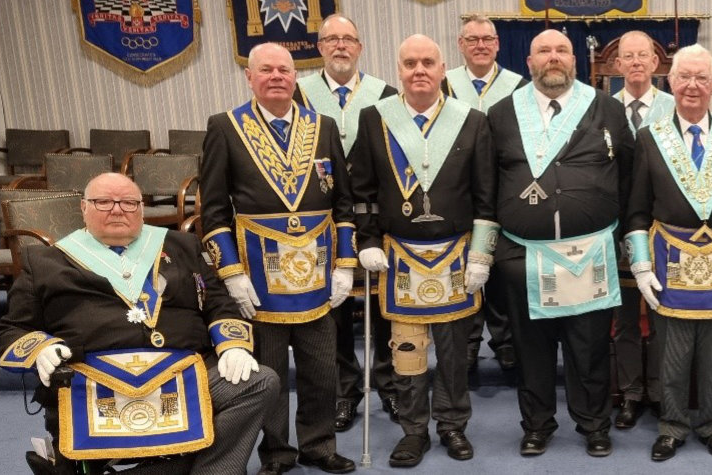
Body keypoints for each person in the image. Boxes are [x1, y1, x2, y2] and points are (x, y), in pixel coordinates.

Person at [0, 173, 278, 475]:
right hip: (94, 385)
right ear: (83, 207)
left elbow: (219, 303)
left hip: (186, 378)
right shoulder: (44, 261)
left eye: (129, 203)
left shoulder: (182, 246)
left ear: (141, 209)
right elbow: (12, 329)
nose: (118, 210)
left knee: (260, 382)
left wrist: (232, 345)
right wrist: (41, 347)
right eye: (104, 202)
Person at [200, 42, 358, 475]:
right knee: (268, 372)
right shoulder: (226, 126)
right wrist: (231, 273)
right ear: (249, 77)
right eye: (266, 70)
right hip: (258, 277)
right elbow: (213, 211)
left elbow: (342, 203)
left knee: (322, 370)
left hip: (318, 275)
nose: (276, 77)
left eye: (284, 70)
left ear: (295, 77)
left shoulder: (322, 125)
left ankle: (319, 445)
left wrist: (346, 264)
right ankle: (277, 453)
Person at [484, 29, 635, 458]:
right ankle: (536, 425)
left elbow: (627, 173)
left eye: (562, 51)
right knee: (530, 348)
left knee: (588, 347)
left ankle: (594, 424)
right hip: (521, 254)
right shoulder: (501, 113)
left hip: (587, 254)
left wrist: (621, 233)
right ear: (528, 62)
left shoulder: (607, 108)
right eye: (544, 51)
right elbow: (489, 181)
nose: (554, 57)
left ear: (575, 61)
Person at [348, 33, 494, 468]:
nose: (419, 71)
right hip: (398, 257)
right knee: (406, 353)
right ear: (399, 70)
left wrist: (482, 256)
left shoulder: (471, 120)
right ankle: (414, 431)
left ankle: (452, 425)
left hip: (455, 256)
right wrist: (368, 242)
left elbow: (486, 197)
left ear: (442, 68)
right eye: (410, 63)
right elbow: (362, 193)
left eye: (428, 62)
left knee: (453, 353)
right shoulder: (375, 118)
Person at [625, 44, 712, 462]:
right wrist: (642, 266)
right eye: (685, 76)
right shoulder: (651, 138)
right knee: (673, 351)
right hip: (670, 259)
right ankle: (672, 425)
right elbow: (636, 210)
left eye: (702, 78)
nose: (693, 86)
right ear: (671, 81)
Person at [292, 13, 400, 433]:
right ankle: (345, 389)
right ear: (319, 48)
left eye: (348, 39)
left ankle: (389, 382)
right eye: (331, 39)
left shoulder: (385, 94)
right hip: (324, 217)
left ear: (359, 47)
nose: (340, 46)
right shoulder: (299, 94)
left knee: (385, 303)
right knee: (334, 306)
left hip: (377, 214)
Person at [439, 14, 528, 371]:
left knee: (501, 268)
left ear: (498, 44)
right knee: (464, 265)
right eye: (472, 39)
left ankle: (504, 340)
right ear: (460, 45)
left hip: (505, 186)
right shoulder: (444, 84)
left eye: (487, 39)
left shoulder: (519, 86)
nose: (480, 45)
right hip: (458, 188)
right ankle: (469, 342)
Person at [609, 29, 673, 431]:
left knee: (666, 314)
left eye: (642, 55)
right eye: (627, 56)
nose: (635, 62)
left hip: (666, 228)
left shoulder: (674, 106)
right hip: (617, 227)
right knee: (626, 318)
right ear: (617, 65)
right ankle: (631, 393)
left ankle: (663, 390)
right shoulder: (601, 108)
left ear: (655, 63)